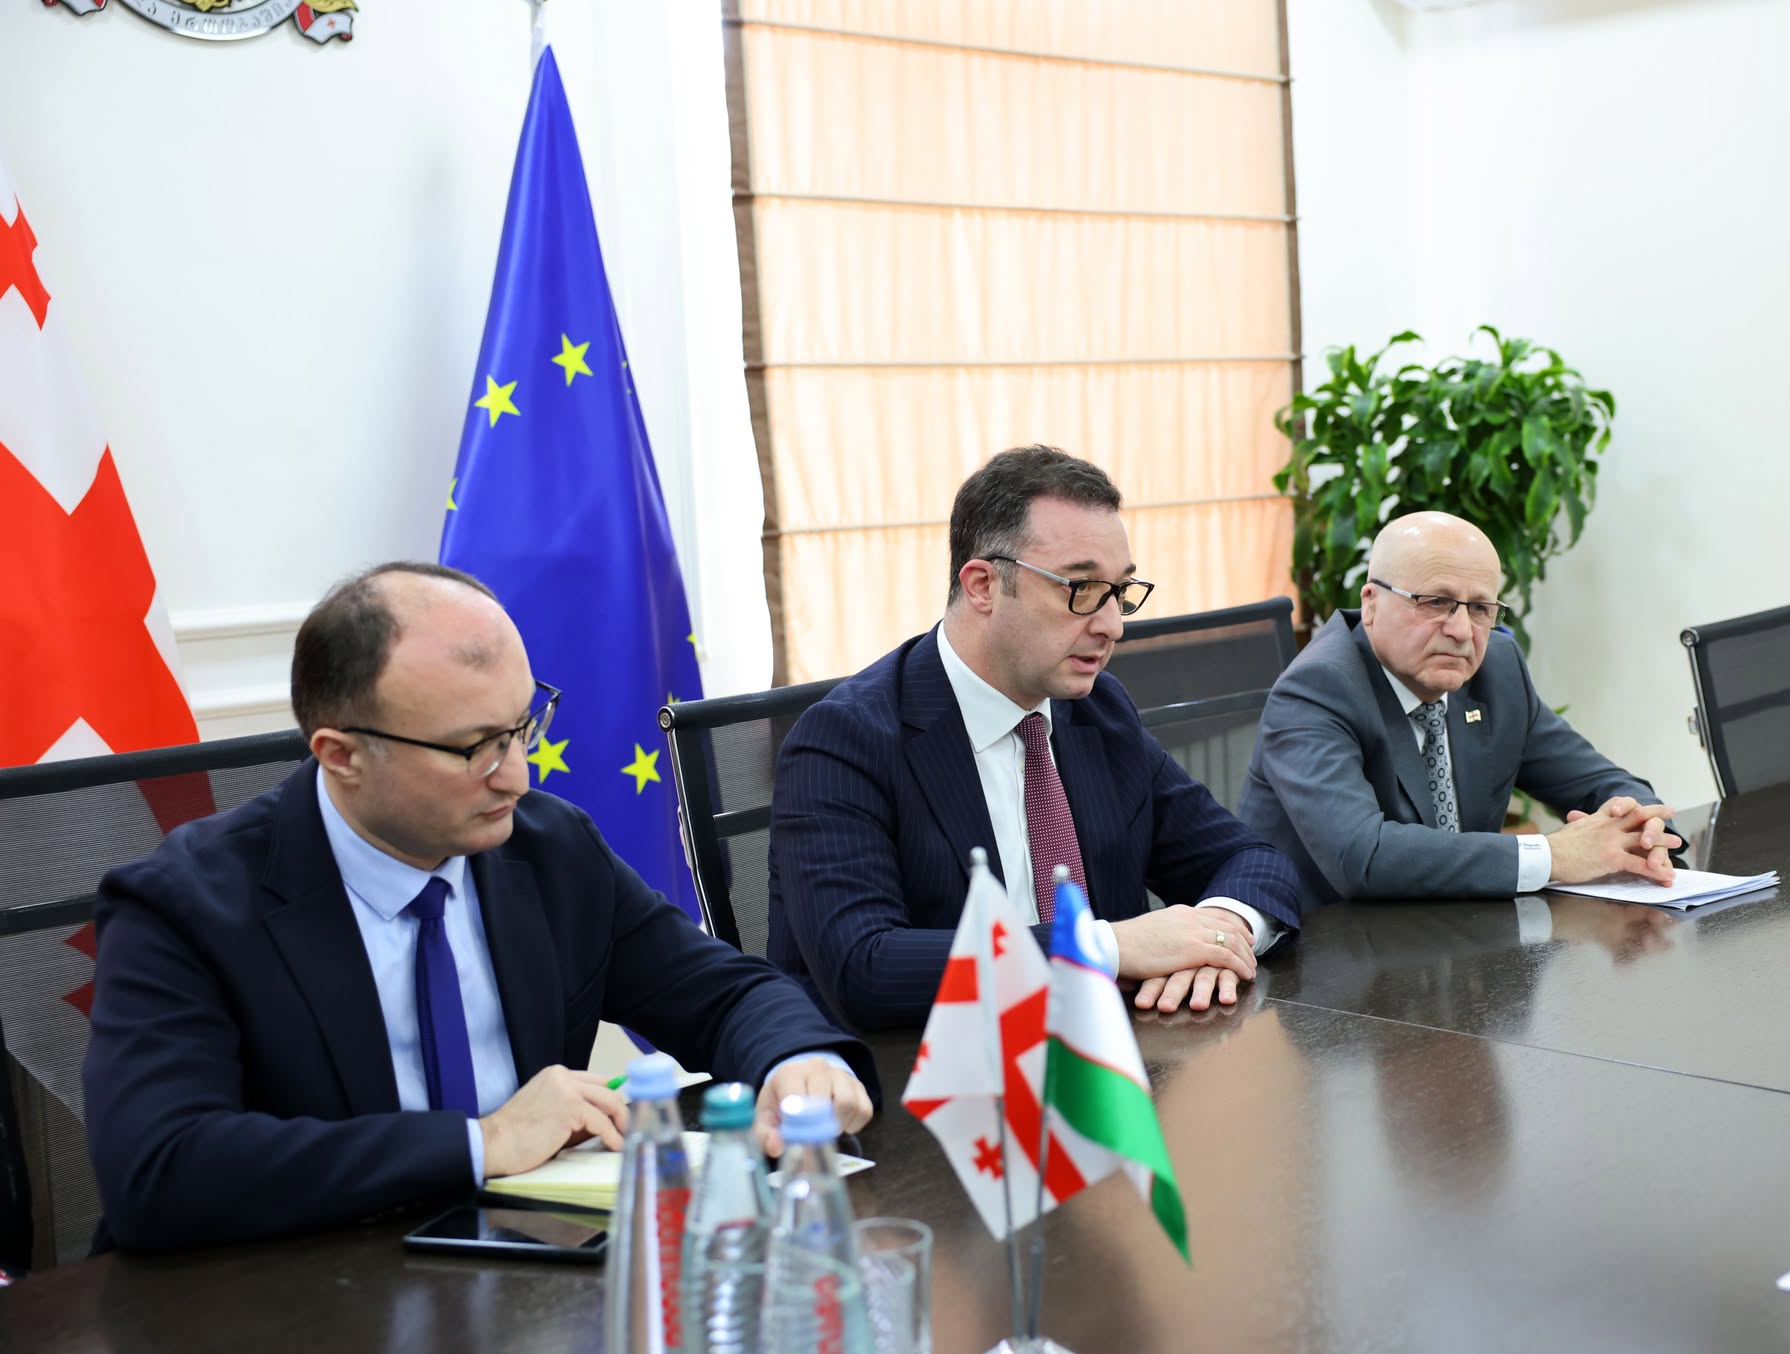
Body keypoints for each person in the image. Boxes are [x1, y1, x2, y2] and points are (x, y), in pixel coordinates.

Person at [83, 563, 875, 1251]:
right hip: (288, 1291)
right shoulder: (182, 906)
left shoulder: (549, 849)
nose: (517, 776)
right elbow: (160, 1169)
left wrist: (795, 1060)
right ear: (341, 755)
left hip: (527, 1267)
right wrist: (479, 1143)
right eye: (474, 748)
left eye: (522, 727)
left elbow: (724, 993)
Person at [768, 446, 1301, 1030]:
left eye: (1120, 591)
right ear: (983, 586)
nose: (1113, 625)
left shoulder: (1098, 711)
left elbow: (1250, 859)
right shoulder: (845, 740)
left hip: (1104, 1058)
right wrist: (1105, 947)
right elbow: (866, 967)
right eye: (1082, 589)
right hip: (930, 1069)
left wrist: (1219, 936)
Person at [1239, 511, 1682, 907]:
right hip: (1330, 952)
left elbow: (1598, 782)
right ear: (1371, 603)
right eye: (1436, 602)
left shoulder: (1497, 669)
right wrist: (1555, 855)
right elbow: (1363, 857)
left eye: (1480, 608)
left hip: (1460, 937)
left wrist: (1643, 831)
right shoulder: (1316, 690)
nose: (1462, 631)